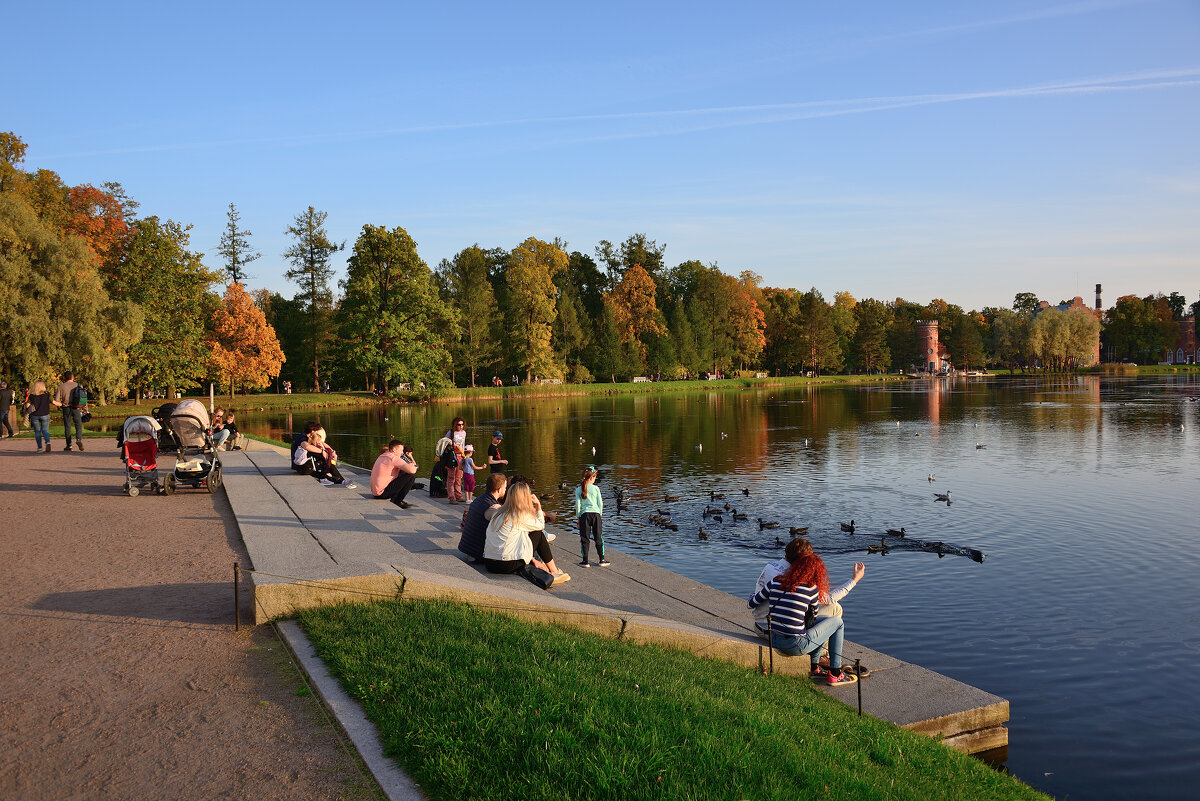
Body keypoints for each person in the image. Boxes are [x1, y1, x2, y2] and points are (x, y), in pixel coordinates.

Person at [750, 538, 868, 673]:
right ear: (805, 560)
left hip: (760, 626)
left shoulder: (770, 567)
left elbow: (754, 600)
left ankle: (818, 658)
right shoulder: (797, 578)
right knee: (835, 610)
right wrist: (854, 580)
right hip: (781, 634)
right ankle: (822, 660)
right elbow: (827, 600)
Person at [482, 480, 569, 585]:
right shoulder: (519, 515)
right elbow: (541, 525)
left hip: (490, 563)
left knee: (523, 536)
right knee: (538, 534)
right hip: (505, 565)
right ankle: (554, 571)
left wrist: (532, 559)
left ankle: (541, 564)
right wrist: (538, 505)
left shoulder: (498, 512)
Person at [458, 473, 507, 561]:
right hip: (478, 553)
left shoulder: (480, 498)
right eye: (505, 488)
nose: (506, 490)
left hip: (468, 548)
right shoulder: (493, 507)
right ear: (499, 490)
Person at [292, 422, 357, 488]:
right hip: (303, 467)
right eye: (317, 431)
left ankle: (342, 481)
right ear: (312, 431)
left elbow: (322, 443)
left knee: (326, 471)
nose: (318, 432)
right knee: (323, 456)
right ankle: (340, 480)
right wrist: (322, 451)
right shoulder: (302, 437)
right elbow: (307, 446)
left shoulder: (309, 436)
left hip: (308, 466)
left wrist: (332, 452)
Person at [575, 466, 608, 568]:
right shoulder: (596, 488)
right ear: (592, 478)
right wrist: (599, 515)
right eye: (595, 477)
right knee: (598, 537)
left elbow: (578, 506)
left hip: (584, 515)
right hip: (596, 515)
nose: (595, 479)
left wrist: (578, 518)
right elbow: (600, 504)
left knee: (585, 538)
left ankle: (585, 561)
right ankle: (602, 559)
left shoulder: (579, 489)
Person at [370, 439, 418, 508]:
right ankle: (398, 501)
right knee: (410, 476)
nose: (402, 453)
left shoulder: (383, 456)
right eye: (401, 450)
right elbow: (412, 470)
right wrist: (413, 463)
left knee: (403, 471)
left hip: (375, 493)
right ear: (394, 450)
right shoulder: (393, 458)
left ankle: (395, 498)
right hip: (381, 494)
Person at [52, 371, 85, 451]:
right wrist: (85, 408)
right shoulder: (78, 385)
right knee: (78, 424)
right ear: (72, 377)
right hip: (76, 407)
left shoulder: (61, 386)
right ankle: (78, 439)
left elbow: (57, 400)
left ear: (65, 378)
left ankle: (69, 445)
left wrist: (60, 404)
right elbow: (83, 397)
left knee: (67, 426)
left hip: (66, 407)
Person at [445, 416, 467, 503]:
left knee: (458, 477)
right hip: (452, 456)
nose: (461, 426)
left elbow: (463, 444)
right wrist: (451, 444)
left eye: (462, 425)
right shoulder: (450, 433)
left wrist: (465, 455)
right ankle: (451, 497)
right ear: (455, 425)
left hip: (461, 456)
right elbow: (444, 443)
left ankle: (459, 495)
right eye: (459, 425)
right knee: (451, 477)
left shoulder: (464, 433)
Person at [26, 380, 53, 453]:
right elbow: (53, 402)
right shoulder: (47, 394)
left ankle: (40, 448)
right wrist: (61, 404)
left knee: (37, 431)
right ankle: (47, 442)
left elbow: (27, 405)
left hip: (35, 415)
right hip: (45, 414)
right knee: (45, 430)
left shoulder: (31, 396)